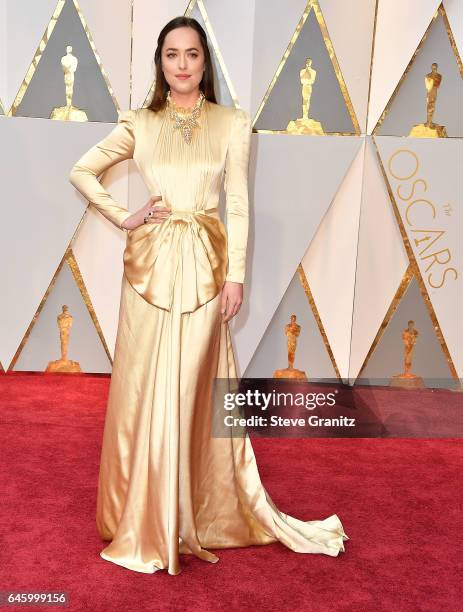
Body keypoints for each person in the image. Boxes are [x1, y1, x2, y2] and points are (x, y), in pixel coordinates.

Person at [68, 15, 348, 575]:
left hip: (204, 271)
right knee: (144, 390)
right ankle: (140, 515)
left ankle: (192, 512)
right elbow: (83, 170)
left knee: (194, 391)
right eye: (171, 55)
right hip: (147, 274)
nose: (181, 64)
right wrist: (128, 215)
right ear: (160, 63)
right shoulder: (139, 123)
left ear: (204, 62)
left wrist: (236, 275)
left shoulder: (232, 124)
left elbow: (238, 203)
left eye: (191, 54)